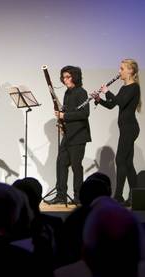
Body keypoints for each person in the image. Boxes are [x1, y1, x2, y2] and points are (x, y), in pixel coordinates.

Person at [91, 59, 141, 205]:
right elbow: (112, 105)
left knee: (120, 160)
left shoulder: (134, 87)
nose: (119, 72)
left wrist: (107, 91)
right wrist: (99, 99)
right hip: (125, 129)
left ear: (130, 71)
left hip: (130, 128)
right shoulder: (124, 88)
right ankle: (134, 197)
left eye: (122, 69)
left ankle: (118, 196)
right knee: (128, 163)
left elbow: (121, 102)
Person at [47, 66, 91, 205]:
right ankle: (61, 195)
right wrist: (61, 121)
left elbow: (84, 114)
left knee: (76, 166)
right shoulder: (67, 93)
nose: (65, 80)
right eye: (63, 77)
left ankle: (78, 197)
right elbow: (67, 111)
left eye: (68, 77)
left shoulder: (81, 92)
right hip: (68, 134)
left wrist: (64, 115)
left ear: (75, 77)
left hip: (79, 135)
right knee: (61, 163)